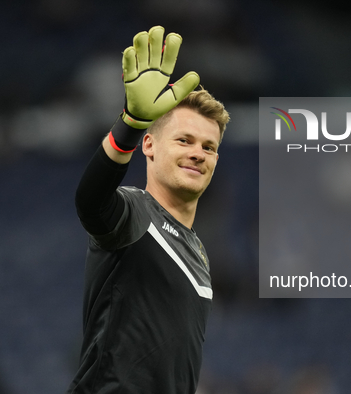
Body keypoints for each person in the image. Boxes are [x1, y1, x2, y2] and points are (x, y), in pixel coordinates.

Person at [67, 25, 230, 393]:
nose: (197, 153)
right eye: (184, 140)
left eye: (209, 146)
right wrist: (130, 123)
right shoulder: (136, 213)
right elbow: (91, 201)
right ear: (149, 146)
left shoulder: (198, 252)